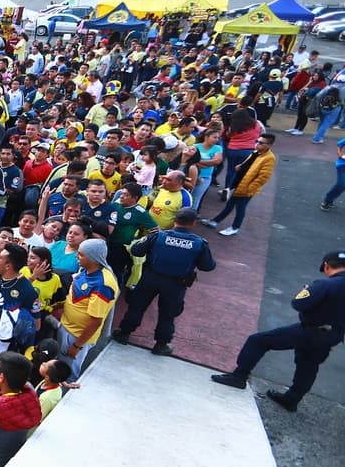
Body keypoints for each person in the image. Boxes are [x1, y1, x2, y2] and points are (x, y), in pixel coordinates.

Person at [212, 250, 345, 412]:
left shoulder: (324, 285)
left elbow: (298, 304)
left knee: (258, 340)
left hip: (310, 331)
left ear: (326, 265)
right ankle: (292, 399)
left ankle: (238, 376)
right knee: (309, 365)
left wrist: (306, 291)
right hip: (333, 335)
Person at [112, 208, 216, 356]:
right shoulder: (199, 243)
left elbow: (136, 250)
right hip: (176, 284)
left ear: (175, 220)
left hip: (151, 277)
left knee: (137, 306)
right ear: (193, 223)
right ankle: (161, 344)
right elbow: (208, 266)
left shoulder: (158, 236)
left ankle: (124, 334)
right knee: (168, 314)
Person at [55, 239, 120, 376]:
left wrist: (77, 346)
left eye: (81, 254)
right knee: (59, 366)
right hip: (66, 327)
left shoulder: (103, 285)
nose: (76, 256)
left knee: (67, 373)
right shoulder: (85, 269)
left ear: (93, 258)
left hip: (76, 336)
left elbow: (96, 321)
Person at [202, 132, 277, 237]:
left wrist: (250, 188)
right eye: (257, 141)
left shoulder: (269, 158)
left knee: (240, 208)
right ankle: (215, 221)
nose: (257, 144)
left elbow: (263, 177)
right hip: (240, 184)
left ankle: (234, 227)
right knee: (230, 205)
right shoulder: (256, 152)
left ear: (269, 145)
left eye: (261, 143)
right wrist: (240, 166)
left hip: (246, 188)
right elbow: (249, 163)